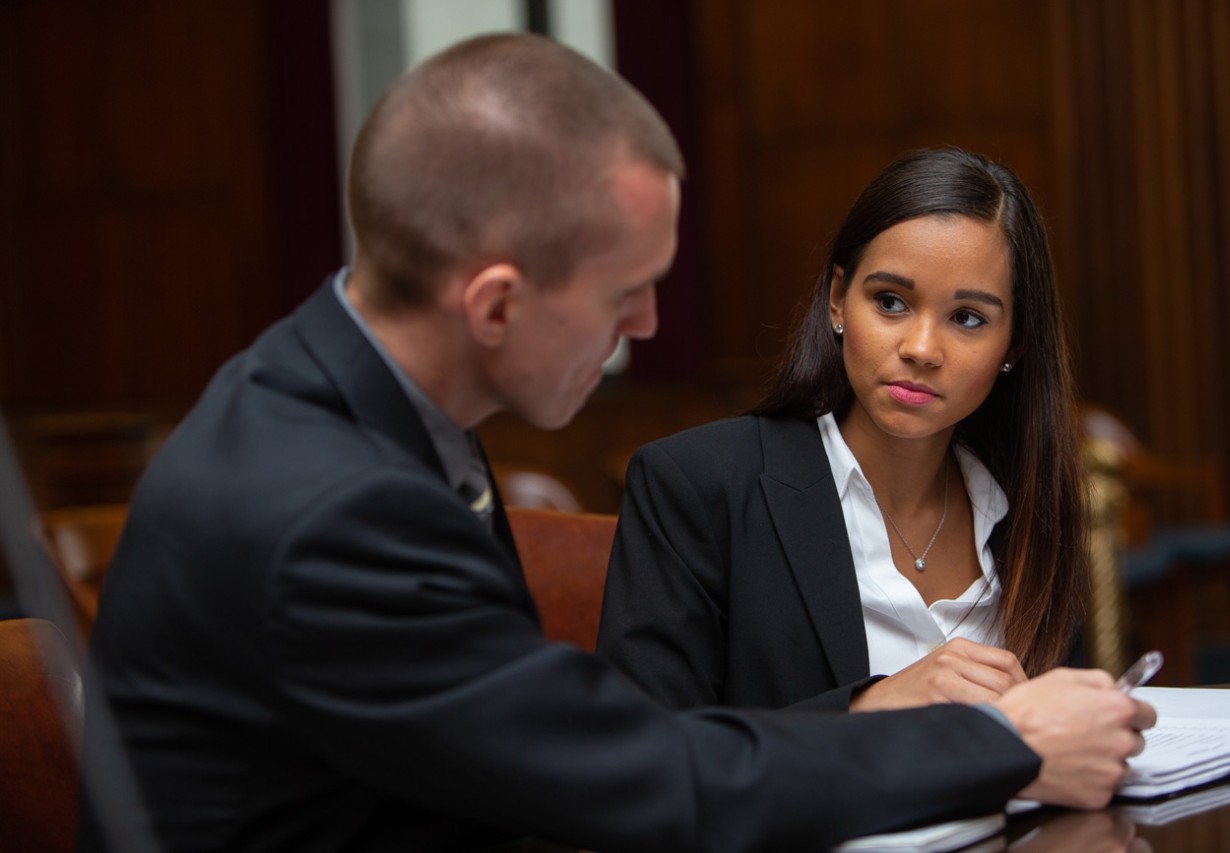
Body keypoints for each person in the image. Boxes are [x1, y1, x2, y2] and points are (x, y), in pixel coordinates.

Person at [79, 36, 1151, 853]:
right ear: (495, 304)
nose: (643, 325)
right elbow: (631, 770)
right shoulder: (328, 506)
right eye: (625, 293)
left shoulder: (329, 395)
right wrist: (999, 743)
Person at [598, 147, 1087, 713]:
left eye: (968, 318)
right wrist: (865, 710)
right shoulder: (696, 486)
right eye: (890, 302)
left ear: (1014, 345)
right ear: (837, 300)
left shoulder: (1030, 507)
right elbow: (647, 759)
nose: (921, 349)